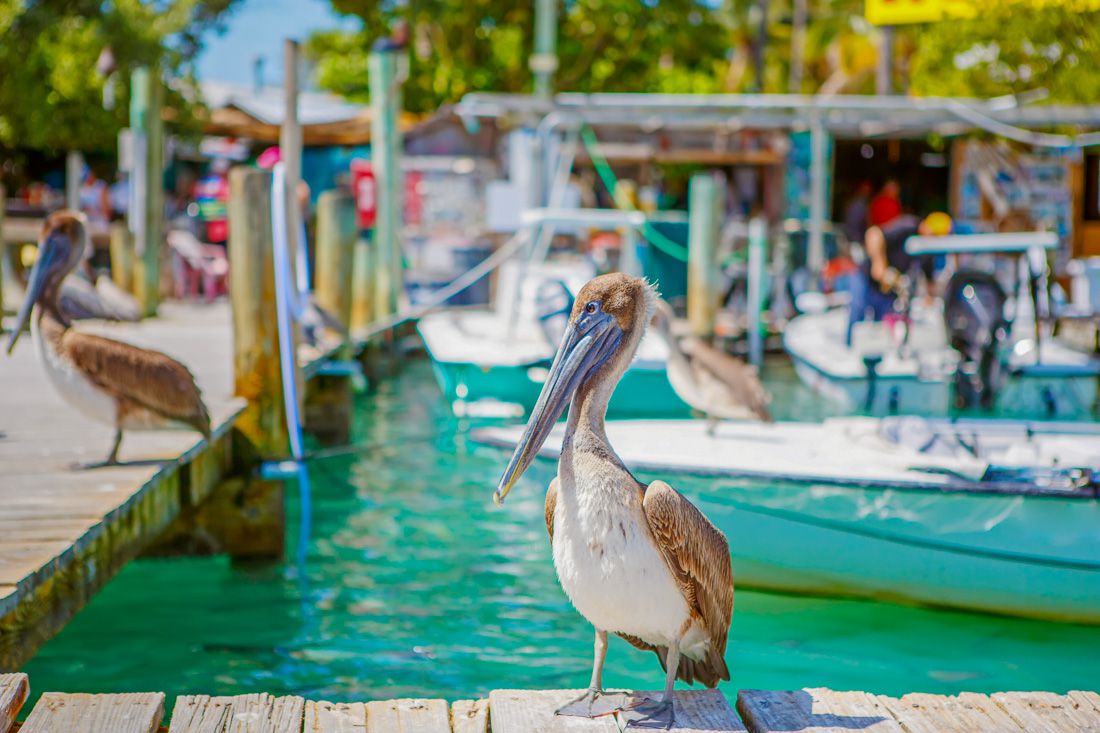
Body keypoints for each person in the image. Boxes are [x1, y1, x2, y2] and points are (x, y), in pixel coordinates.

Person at [847, 211, 952, 345]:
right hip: (866, 278)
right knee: (857, 317)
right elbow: (873, 234)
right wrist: (879, 263)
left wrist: (933, 301)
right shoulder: (908, 226)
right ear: (927, 228)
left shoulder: (927, 250)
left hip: (888, 287)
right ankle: (849, 350)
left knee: (881, 328)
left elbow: (929, 280)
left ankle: (874, 355)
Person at [843, 180, 872, 245]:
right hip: (855, 240)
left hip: (854, 239)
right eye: (865, 189)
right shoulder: (857, 204)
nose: (867, 192)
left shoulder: (860, 203)